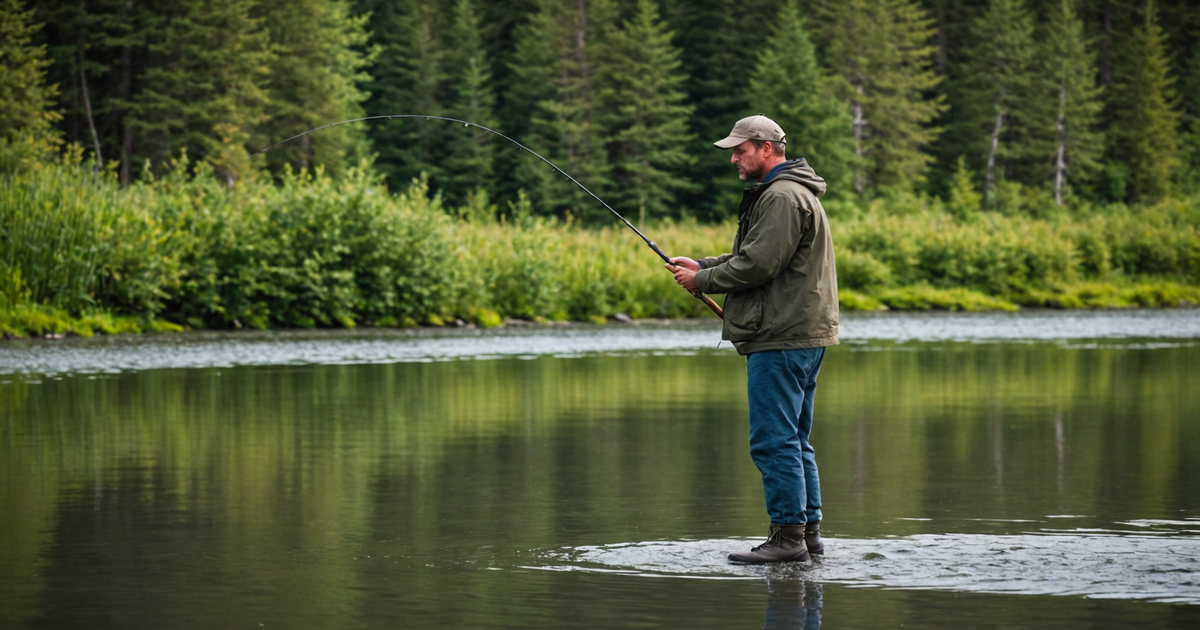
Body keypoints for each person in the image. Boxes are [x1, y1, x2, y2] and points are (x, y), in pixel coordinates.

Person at [667, 114, 839, 564]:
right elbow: (755, 255)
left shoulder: (781, 196)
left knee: (774, 441)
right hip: (797, 332)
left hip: (780, 335)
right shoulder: (790, 193)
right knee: (795, 439)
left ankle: (787, 541)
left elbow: (758, 265)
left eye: (740, 151)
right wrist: (702, 264)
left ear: (766, 148)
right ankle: (809, 535)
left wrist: (702, 280)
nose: (735, 159)